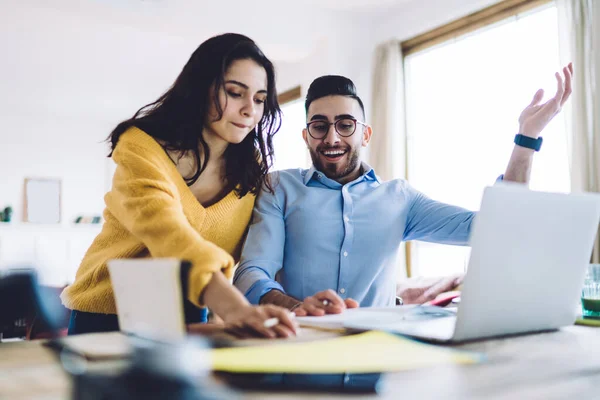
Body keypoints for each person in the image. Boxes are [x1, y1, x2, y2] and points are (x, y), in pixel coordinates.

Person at [234, 66, 573, 316]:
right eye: (319, 126)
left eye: (345, 124)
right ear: (307, 136)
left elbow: (496, 225)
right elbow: (252, 273)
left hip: (380, 354)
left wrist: (527, 139)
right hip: (299, 344)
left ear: (365, 134)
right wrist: (297, 308)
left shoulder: (400, 199)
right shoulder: (278, 187)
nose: (332, 138)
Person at [61, 33, 297, 338]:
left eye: (260, 99)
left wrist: (298, 303)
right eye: (235, 93)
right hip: (109, 313)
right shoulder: (140, 148)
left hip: (193, 312)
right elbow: (170, 235)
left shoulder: (250, 169)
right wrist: (234, 309)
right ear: (201, 88)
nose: (250, 109)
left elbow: (264, 248)